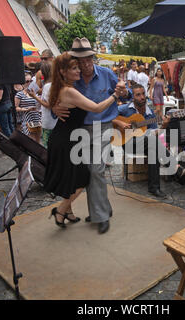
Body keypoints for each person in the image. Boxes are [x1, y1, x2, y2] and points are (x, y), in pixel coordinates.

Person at [52, 37, 131, 234]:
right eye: (81, 61)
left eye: (89, 59)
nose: (85, 64)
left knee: (96, 169)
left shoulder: (106, 74)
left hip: (104, 126)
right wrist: (55, 108)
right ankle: (102, 208)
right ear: (74, 62)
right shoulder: (72, 78)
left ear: (93, 58)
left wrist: (123, 92)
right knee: (88, 171)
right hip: (77, 131)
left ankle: (101, 216)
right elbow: (57, 94)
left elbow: (126, 93)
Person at [113, 84, 185, 198]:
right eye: (138, 95)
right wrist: (119, 123)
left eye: (143, 94)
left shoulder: (150, 114)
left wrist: (164, 125)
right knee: (152, 144)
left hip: (145, 144)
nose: (142, 97)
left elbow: (155, 134)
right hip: (127, 143)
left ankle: (154, 188)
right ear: (133, 97)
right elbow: (107, 116)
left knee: (153, 149)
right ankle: (174, 166)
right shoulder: (124, 109)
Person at [28, 61, 55, 147]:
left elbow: (49, 105)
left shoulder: (47, 86)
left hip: (49, 122)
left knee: (47, 147)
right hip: (52, 121)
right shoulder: (51, 85)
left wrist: (35, 97)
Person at [15, 73, 42, 143]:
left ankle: (37, 154)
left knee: (38, 141)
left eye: (31, 81)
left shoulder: (36, 93)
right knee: (30, 141)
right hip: (27, 119)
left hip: (37, 118)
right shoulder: (19, 94)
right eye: (27, 81)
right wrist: (26, 109)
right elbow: (16, 108)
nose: (29, 83)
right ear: (22, 83)